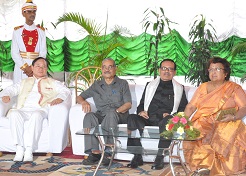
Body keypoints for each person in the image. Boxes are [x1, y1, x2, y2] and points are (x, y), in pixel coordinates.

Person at [183, 57, 246, 175]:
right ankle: (202, 167)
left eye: (217, 69)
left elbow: (244, 107)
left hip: (226, 120)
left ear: (226, 73)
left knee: (223, 132)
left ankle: (216, 168)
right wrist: (182, 121)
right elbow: (191, 106)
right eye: (211, 69)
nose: (213, 72)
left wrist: (233, 117)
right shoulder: (203, 87)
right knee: (195, 132)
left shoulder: (234, 88)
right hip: (203, 121)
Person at [0, 57, 70, 162]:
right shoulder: (23, 82)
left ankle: (29, 150)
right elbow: (10, 89)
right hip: (23, 109)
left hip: (41, 109)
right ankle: (19, 148)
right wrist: (6, 95)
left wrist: (59, 98)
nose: (41, 68)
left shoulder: (52, 82)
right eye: (38, 66)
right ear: (32, 68)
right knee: (14, 114)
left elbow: (66, 91)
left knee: (36, 115)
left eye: (44, 66)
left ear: (46, 69)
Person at [126, 59, 188, 169]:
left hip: (165, 119)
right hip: (148, 117)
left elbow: (183, 108)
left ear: (174, 72)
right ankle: (137, 155)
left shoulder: (179, 88)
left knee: (169, 121)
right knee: (132, 118)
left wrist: (172, 116)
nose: (166, 71)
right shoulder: (150, 85)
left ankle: (160, 157)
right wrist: (141, 112)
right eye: (164, 68)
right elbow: (141, 104)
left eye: (170, 69)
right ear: (159, 70)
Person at [76, 58, 132, 165]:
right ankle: (93, 153)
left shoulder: (122, 83)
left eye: (110, 67)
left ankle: (108, 152)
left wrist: (116, 111)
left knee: (111, 114)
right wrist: (84, 102)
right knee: (89, 116)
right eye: (104, 67)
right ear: (101, 69)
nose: (107, 69)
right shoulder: (96, 85)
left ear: (115, 69)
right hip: (101, 114)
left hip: (119, 115)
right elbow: (79, 97)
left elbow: (128, 104)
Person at [11, 0, 47, 84]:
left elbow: (43, 52)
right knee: (20, 91)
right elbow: (14, 52)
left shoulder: (41, 31)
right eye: (29, 12)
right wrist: (25, 67)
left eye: (34, 12)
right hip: (21, 67)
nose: (32, 14)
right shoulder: (17, 31)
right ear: (23, 13)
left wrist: (35, 67)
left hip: (37, 67)